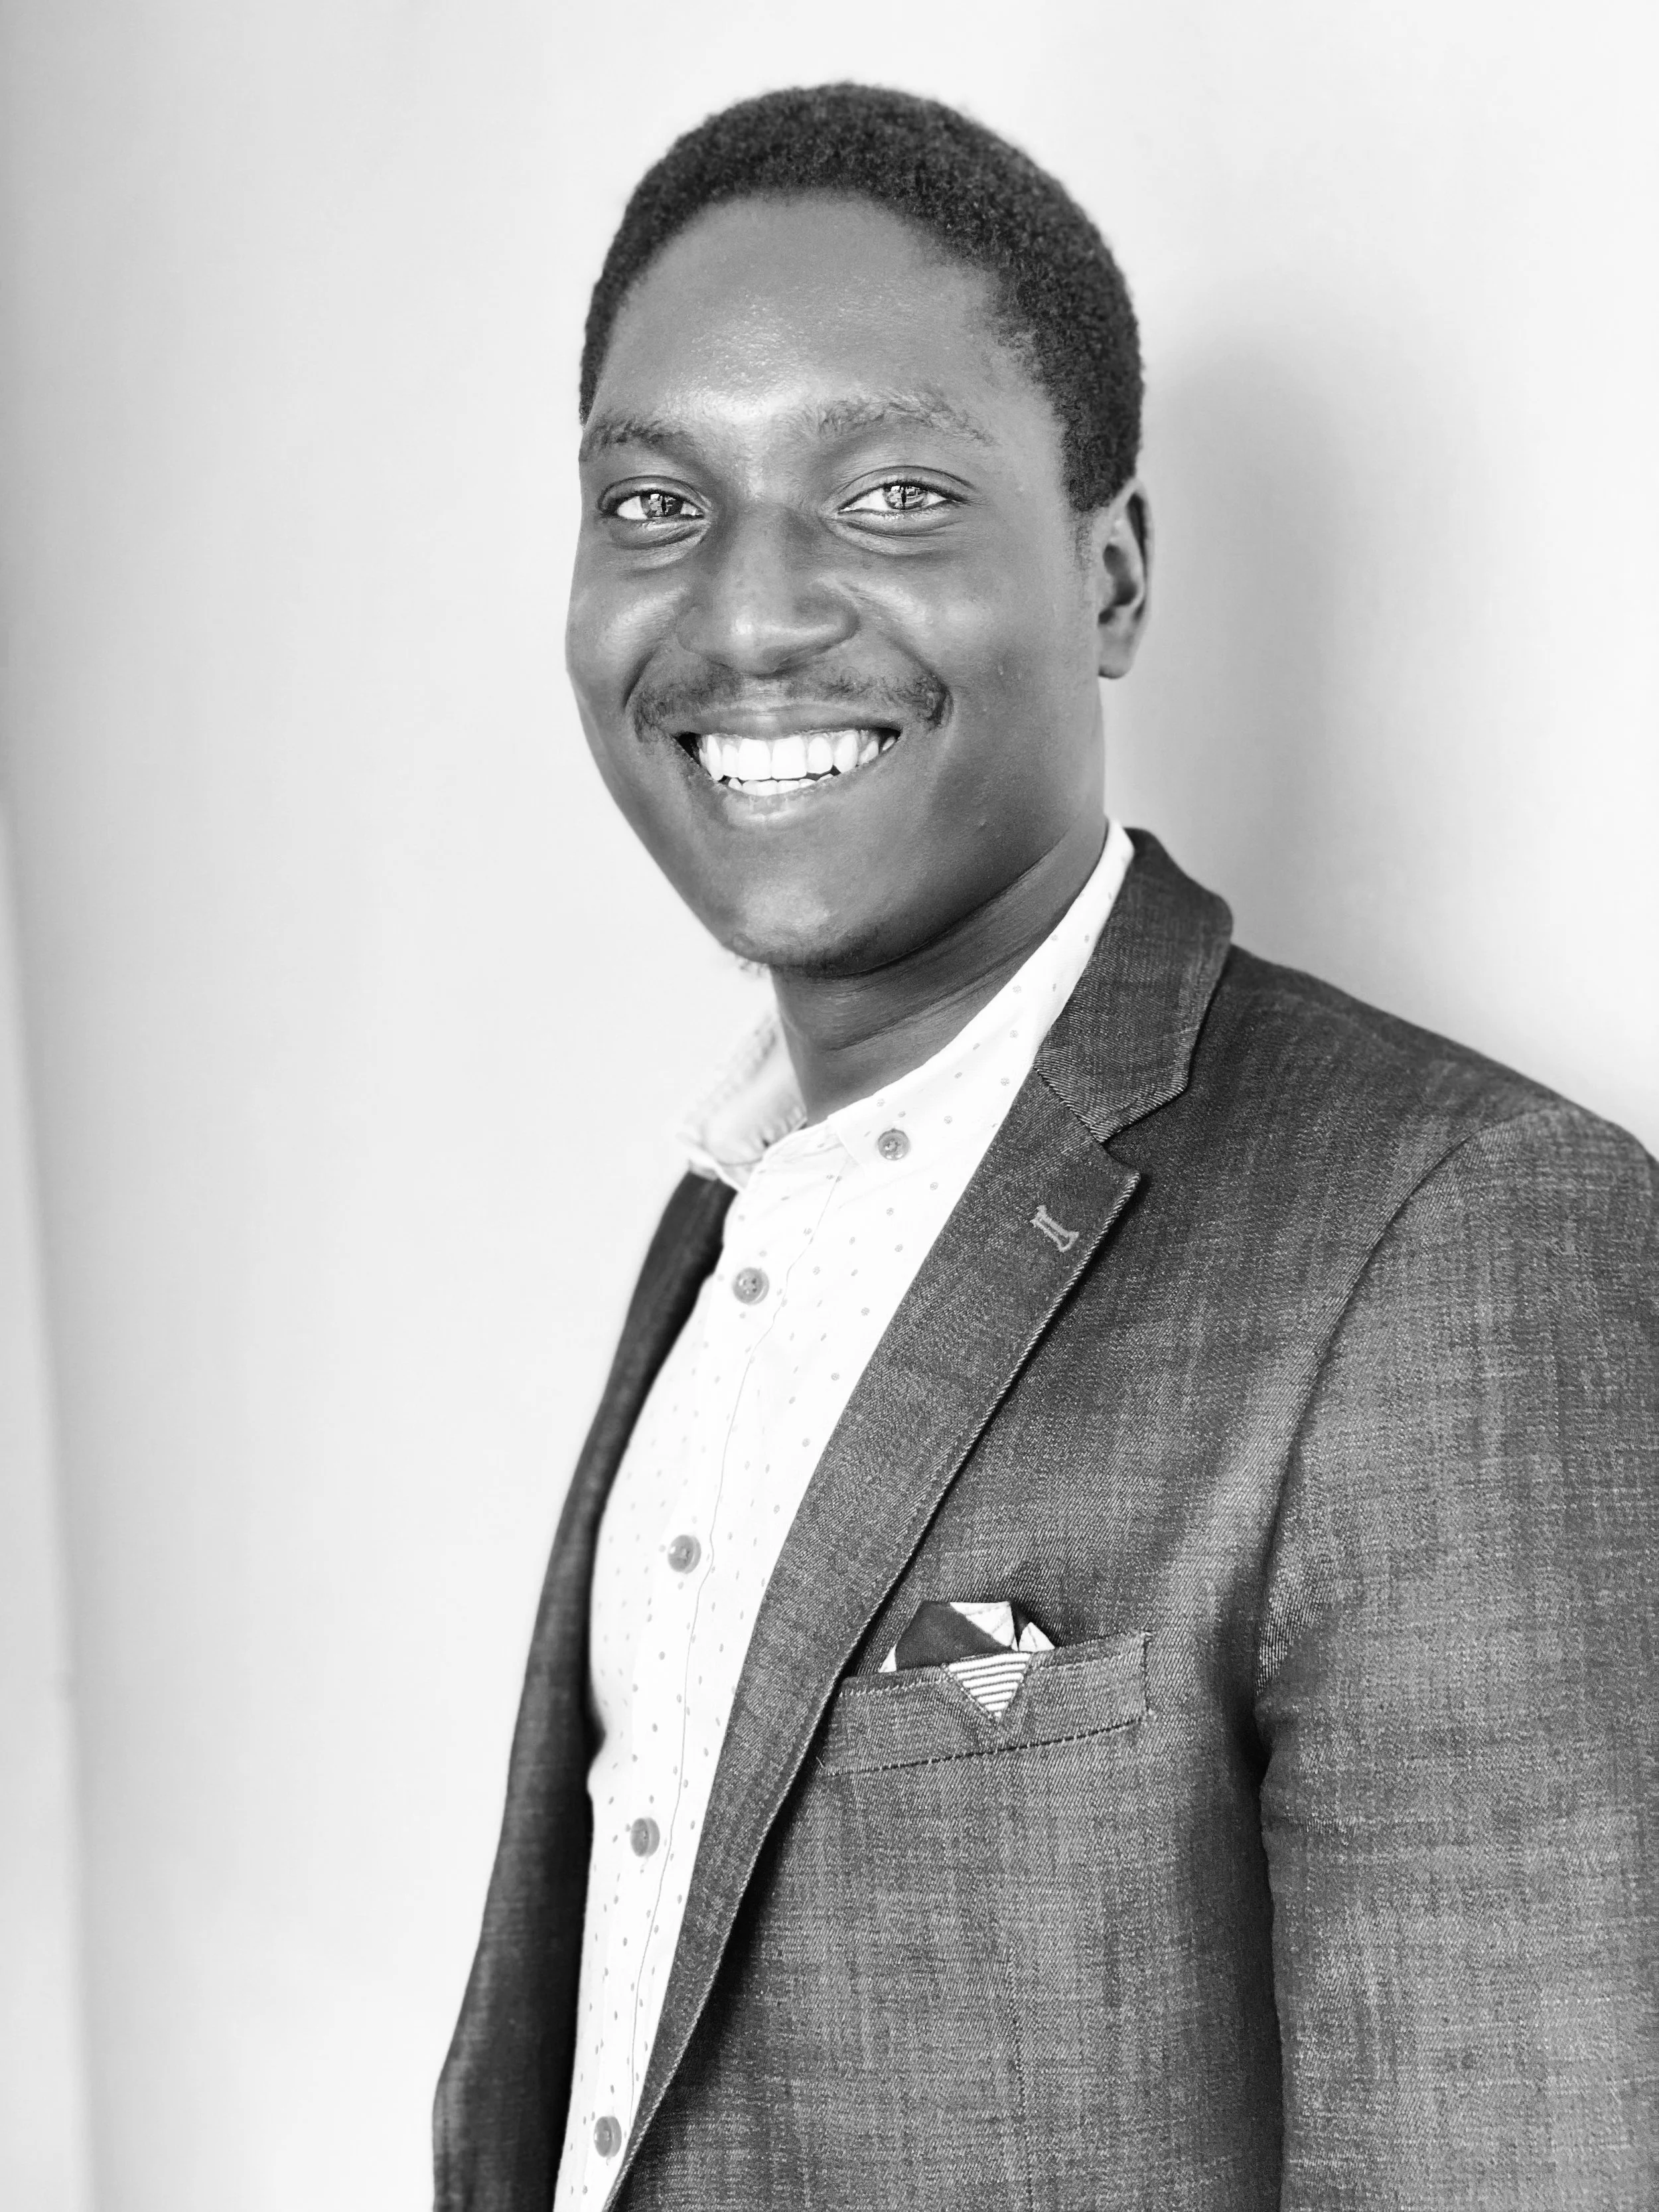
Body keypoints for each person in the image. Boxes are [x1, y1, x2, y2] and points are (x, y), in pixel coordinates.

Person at [435, 83, 1658, 2212]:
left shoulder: (1455, 1234)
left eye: (892, 492)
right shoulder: (730, 1220)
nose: (745, 615)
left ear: (1108, 572)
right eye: (652, 503)